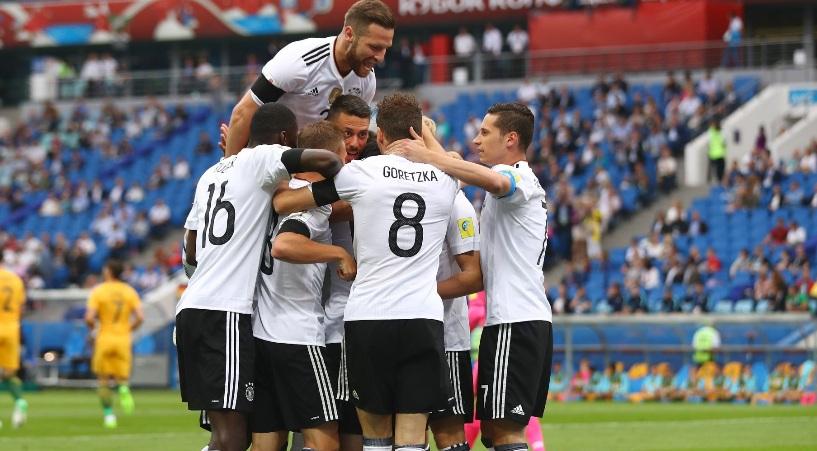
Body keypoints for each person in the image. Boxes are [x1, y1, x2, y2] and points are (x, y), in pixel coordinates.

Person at [274, 93, 460, 451]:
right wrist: (427, 139)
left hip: (369, 316)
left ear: (381, 136)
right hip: (422, 316)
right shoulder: (445, 178)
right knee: (412, 436)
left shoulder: (359, 173)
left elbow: (288, 202)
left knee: (374, 436)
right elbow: (452, 163)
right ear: (416, 132)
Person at [176, 103, 343, 451]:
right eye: (291, 140)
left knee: (229, 433)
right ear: (283, 137)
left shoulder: (212, 173)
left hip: (192, 306)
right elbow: (327, 161)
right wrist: (333, 191)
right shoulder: (264, 159)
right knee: (233, 438)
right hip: (226, 312)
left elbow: (191, 252)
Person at [394, 103, 552, 451]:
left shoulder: (518, 178)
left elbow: (492, 180)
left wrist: (427, 153)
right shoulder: (512, 184)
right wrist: (429, 140)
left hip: (516, 320)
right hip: (512, 320)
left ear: (510, 139)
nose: (476, 140)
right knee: (493, 433)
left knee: (507, 433)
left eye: (485, 133)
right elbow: (454, 175)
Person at [250, 122, 357, 451]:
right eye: (342, 156)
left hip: (260, 333)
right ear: (329, 159)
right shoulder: (311, 205)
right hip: (297, 335)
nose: (346, 162)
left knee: (268, 438)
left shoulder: (271, 194)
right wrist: (338, 253)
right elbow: (284, 245)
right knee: (324, 440)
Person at [225, 0, 394, 155]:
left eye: (385, 48)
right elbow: (244, 113)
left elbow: (351, 135)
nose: (381, 58)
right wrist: (230, 166)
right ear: (349, 34)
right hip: (273, 159)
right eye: (374, 47)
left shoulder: (367, 81)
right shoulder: (299, 62)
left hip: (319, 164)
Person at [430, 153, 483, 451]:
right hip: (407, 328)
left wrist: (417, 292)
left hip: (447, 338)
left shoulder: (458, 205)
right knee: (407, 431)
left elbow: (473, 277)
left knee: (449, 433)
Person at [84, 259, 144, 428]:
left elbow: (89, 318)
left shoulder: (99, 291)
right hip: (123, 338)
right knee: (122, 378)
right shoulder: (129, 291)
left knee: (103, 380)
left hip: (104, 338)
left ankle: (109, 415)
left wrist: (94, 329)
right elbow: (140, 317)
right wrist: (129, 329)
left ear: (108, 271)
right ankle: (123, 389)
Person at [0, 264, 27, 428]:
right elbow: (22, 308)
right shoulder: (16, 280)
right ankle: (19, 400)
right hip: (11, 329)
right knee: (9, 373)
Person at [707, 119, 727, 184]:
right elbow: (724, 142)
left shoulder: (711, 132)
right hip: (719, 153)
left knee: (716, 169)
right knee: (720, 169)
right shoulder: (721, 132)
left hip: (715, 153)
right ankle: (719, 181)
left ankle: (717, 181)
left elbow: (709, 142)